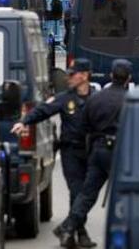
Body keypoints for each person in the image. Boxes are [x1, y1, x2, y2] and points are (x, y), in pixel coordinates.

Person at [11, 58, 97, 248]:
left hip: (91, 152)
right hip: (71, 151)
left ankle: (72, 230)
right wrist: (24, 122)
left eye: (72, 74)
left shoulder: (97, 98)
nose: (69, 78)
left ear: (84, 76)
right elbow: (43, 110)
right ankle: (79, 233)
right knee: (76, 191)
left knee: (86, 194)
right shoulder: (65, 98)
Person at [54, 59, 132, 248]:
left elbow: (84, 127)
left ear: (111, 76)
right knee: (127, 193)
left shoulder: (95, 98)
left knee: (87, 194)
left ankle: (68, 227)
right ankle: (125, 235)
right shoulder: (131, 99)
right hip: (120, 152)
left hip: (98, 150)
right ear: (128, 78)